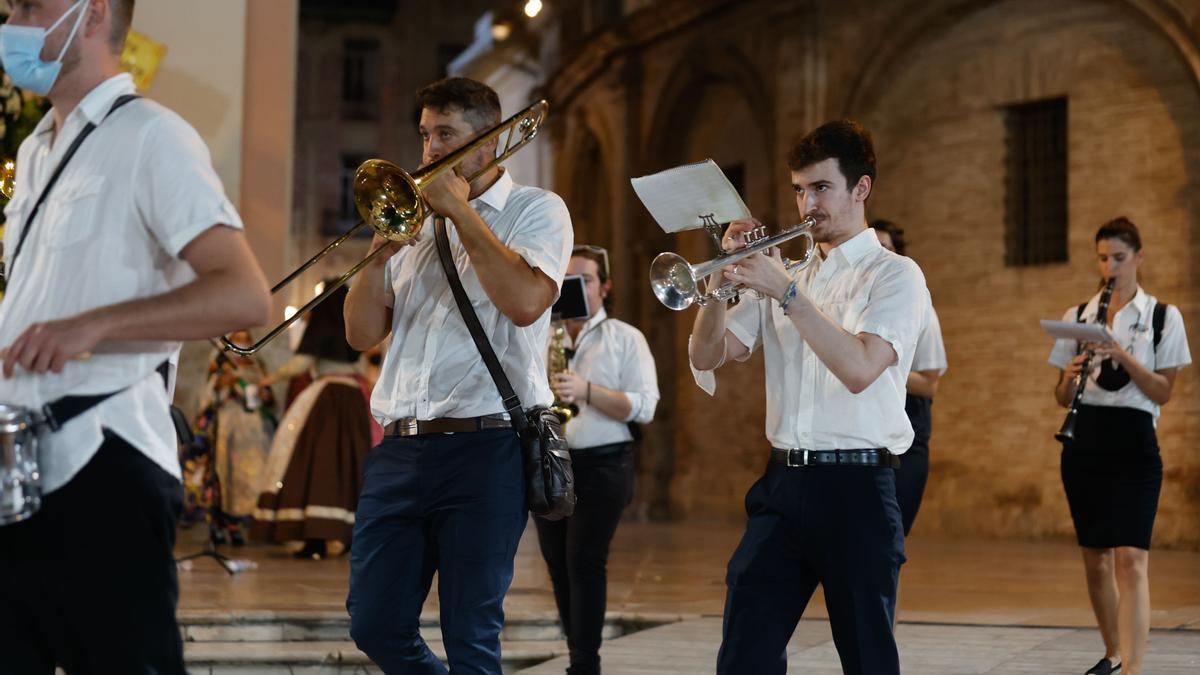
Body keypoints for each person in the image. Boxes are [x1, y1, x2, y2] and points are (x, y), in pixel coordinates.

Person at [0, 1, 271, 672]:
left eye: (31, 4)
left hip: (106, 470)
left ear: (92, 14)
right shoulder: (37, 149)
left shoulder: (154, 135)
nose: (12, 18)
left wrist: (96, 324)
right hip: (24, 472)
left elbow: (243, 291)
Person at [342, 77, 572, 673]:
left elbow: (525, 300)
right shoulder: (411, 225)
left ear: (490, 141)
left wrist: (461, 213)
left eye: (446, 135)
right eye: (424, 136)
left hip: (485, 445)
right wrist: (377, 254)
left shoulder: (536, 211)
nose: (429, 151)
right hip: (399, 450)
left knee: (470, 633)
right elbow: (361, 333)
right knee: (374, 624)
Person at [689, 120, 928, 675]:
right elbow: (707, 355)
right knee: (743, 657)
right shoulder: (790, 270)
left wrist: (786, 292)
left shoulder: (895, 276)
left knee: (867, 658)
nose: (806, 203)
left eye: (820, 188)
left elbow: (861, 368)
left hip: (858, 491)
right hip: (782, 485)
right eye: (799, 189)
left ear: (861, 188)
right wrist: (719, 287)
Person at [1049, 217, 1190, 675]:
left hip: (1134, 443)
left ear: (1139, 258)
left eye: (1119, 258)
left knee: (1132, 558)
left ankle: (1133, 668)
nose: (1109, 266)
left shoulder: (1163, 317)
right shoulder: (1078, 316)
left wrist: (1122, 354)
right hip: (1085, 440)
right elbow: (1060, 396)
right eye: (1103, 257)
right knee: (1097, 562)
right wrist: (1070, 378)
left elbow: (1163, 392)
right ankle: (1113, 654)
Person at [537, 244, 659, 675]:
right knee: (557, 563)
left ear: (604, 287)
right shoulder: (541, 334)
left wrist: (586, 391)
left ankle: (584, 664)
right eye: (565, 281)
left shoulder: (625, 338)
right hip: (552, 461)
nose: (573, 289)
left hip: (605, 463)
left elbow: (644, 407)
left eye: (583, 280)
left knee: (584, 559)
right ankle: (578, 652)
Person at [251, 283, 373, 560]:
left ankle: (314, 536)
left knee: (314, 462)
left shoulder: (320, 332)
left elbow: (300, 365)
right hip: (354, 400)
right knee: (349, 463)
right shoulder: (354, 331)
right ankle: (349, 532)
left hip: (325, 397)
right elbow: (362, 368)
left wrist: (268, 378)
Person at [870, 220, 947, 535]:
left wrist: (872, 363)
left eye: (885, 249)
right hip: (862, 429)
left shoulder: (920, 306)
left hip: (908, 425)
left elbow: (930, 383)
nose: (878, 256)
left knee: (891, 535)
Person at [188, 330, 277, 545]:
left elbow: (268, 398)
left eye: (245, 339)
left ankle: (237, 525)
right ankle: (218, 525)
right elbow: (208, 396)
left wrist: (264, 395)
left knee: (247, 478)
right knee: (222, 475)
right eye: (238, 338)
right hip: (226, 426)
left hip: (252, 433)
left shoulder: (257, 365)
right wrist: (223, 385)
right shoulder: (220, 366)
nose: (242, 343)